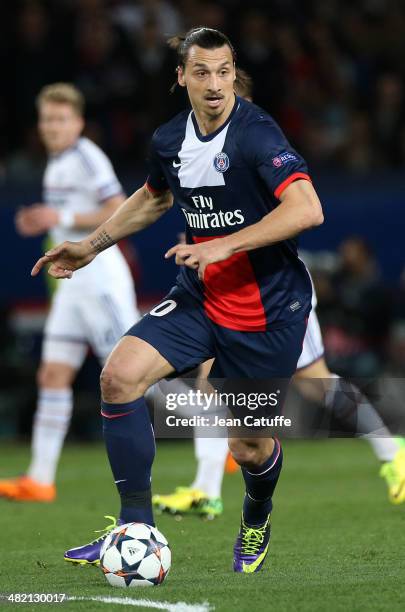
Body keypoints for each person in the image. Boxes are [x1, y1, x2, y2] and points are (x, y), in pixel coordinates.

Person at [31, 28, 323, 573]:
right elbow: (154, 197)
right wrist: (92, 247)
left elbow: (307, 209)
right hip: (200, 297)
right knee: (118, 377)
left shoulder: (257, 135)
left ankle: (256, 515)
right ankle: (134, 527)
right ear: (182, 77)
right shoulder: (170, 139)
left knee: (249, 448)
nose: (215, 84)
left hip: (266, 310)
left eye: (224, 71)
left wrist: (224, 245)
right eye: (203, 72)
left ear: (234, 73)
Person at [152, 70, 405, 518]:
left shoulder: (258, 148)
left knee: (317, 385)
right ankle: (206, 487)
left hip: (273, 292)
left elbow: (299, 211)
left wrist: (226, 240)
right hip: (224, 291)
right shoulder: (196, 152)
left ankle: (392, 452)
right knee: (212, 383)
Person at [0, 83, 139, 502]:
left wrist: (57, 215)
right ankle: (40, 479)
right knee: (53, 375)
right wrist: (49, 221)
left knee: (143, 376)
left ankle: (223, 433)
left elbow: (119, 206)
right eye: (47, 119)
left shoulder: (86, 157)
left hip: (101, 282)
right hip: (72, 288)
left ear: (78, 122)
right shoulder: (58, 162)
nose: (53, 127)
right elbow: (66, 219)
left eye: (61, 119)